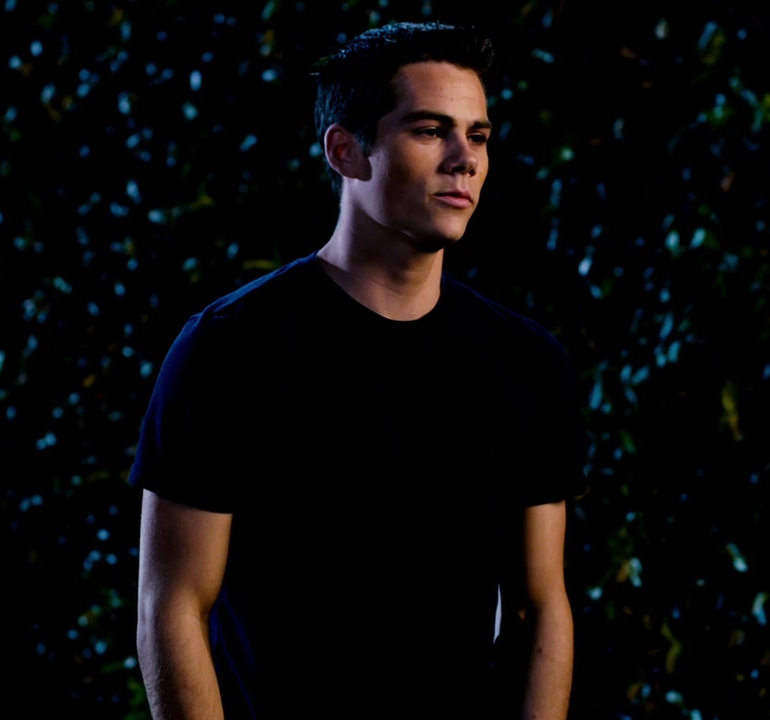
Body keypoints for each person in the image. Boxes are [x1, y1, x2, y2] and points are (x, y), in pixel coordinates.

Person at [133, 22, 586, 719]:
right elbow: (173, 606)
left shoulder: (526, 364)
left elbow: (540, 606)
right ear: (346, 151)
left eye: (479, 135)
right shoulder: (229, 348)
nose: (464, 159)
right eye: (430, 130)